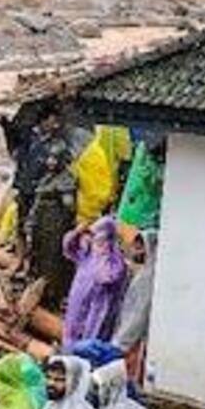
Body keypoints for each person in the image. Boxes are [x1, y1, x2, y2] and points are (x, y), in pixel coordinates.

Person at [25, 140, 79, 305]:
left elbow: (69, 205)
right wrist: (30, 223)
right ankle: (39, 291)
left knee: (53, 261)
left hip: (55, 226)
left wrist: (63, 199)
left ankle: (53, 295)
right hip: (41, 224)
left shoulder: (66, 178)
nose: (50, 162)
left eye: (55, 159)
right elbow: (37, 202)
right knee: (39, 257)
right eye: (49, 158)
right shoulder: (46, 177)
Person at [63, 216, 129, 348]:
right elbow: (68, 247)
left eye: (100, 237)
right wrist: (77, 232)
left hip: (98, 309)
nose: (96, 240)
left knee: (91, 338)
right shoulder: (87, 253)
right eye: (94, 236)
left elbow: (108, 278)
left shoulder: (115, 260)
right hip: (78, 302)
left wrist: (103, 256)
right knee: (72, 332)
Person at [111, 231, 158, 387]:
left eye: (141, 247)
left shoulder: (148, 278)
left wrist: (122, 343)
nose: (136, 251)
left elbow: (139, 314)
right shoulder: (144, 273)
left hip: (132, 340)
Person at [73, 125, 133, 227]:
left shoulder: (92, 142)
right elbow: (125, 155)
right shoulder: (119, 128)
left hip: (92, 199)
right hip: (107, 189)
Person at [116, 140, 164, 233]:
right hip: (136, 218)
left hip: (132, 215)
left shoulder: (145, 147)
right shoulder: (149, 161)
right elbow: (149, 179)